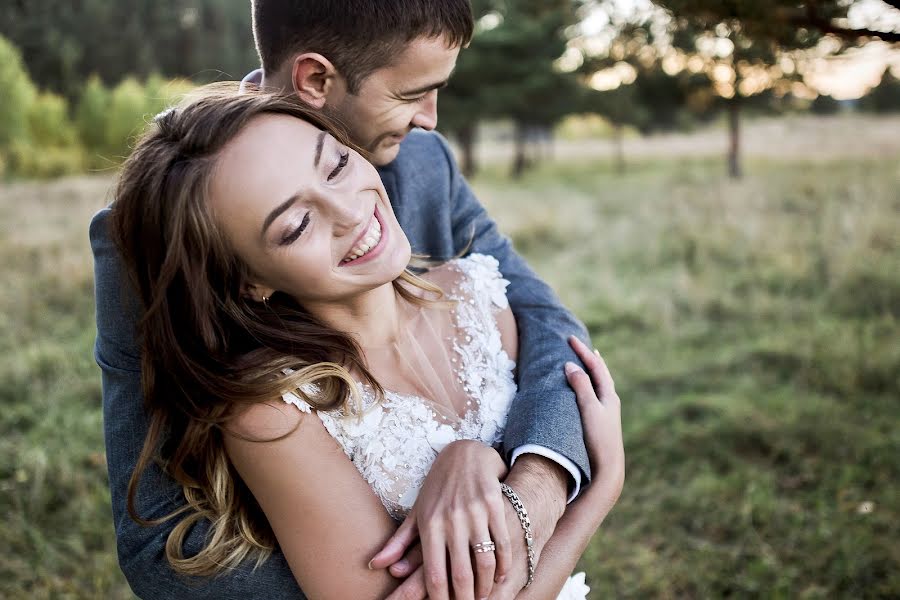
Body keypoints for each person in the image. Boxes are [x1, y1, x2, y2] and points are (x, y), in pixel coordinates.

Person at [89, 1, 605, 597]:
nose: (431, 120)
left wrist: (529, 484)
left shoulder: (444, 219)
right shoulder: (163, 234)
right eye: (413, 93)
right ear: (315, 79)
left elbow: (545, 323)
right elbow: (161, 535)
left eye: (335, 166)